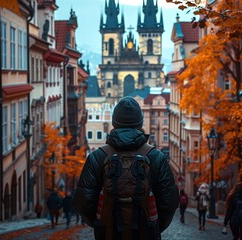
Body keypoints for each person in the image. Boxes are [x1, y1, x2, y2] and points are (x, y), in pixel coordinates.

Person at [73, 96, 179, 239]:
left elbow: (83, 202)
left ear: (114, 123)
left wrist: (102, 225)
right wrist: (153, 227)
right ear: (140, 123)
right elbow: (169, 202)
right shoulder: (156, 157)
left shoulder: (97, 157)